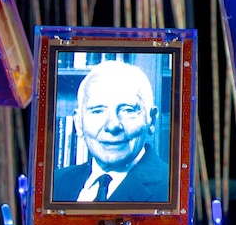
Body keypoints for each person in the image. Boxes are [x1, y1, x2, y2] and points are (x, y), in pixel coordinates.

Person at [53, 60, 170, 202]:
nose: (112, 126)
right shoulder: (55, 183)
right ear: (78, 123)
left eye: (127, 110)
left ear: (151, 120)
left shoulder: (173, 188)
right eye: (97, 111)